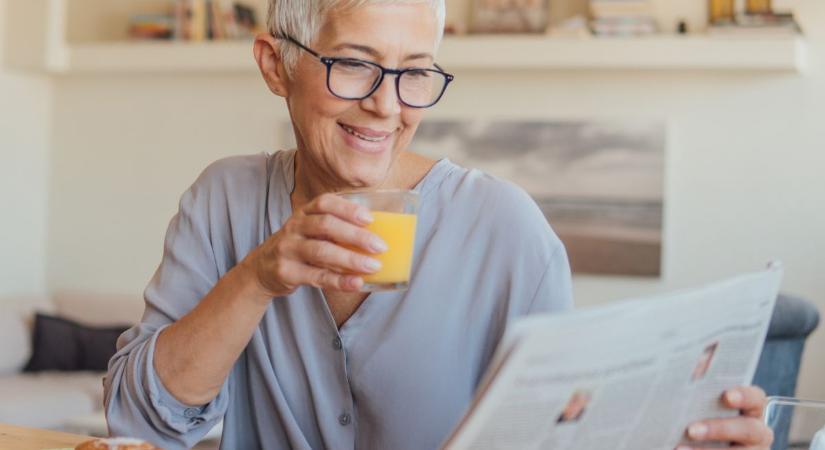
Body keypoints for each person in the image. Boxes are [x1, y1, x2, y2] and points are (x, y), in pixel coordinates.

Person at [103, 1, 775, 449]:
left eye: (414, 73)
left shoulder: (505, 229)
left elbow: (562, 434)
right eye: (354, 64)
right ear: (276, 65)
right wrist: (254, 279)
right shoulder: (226, 199)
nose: (385, 106)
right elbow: (139, 422)